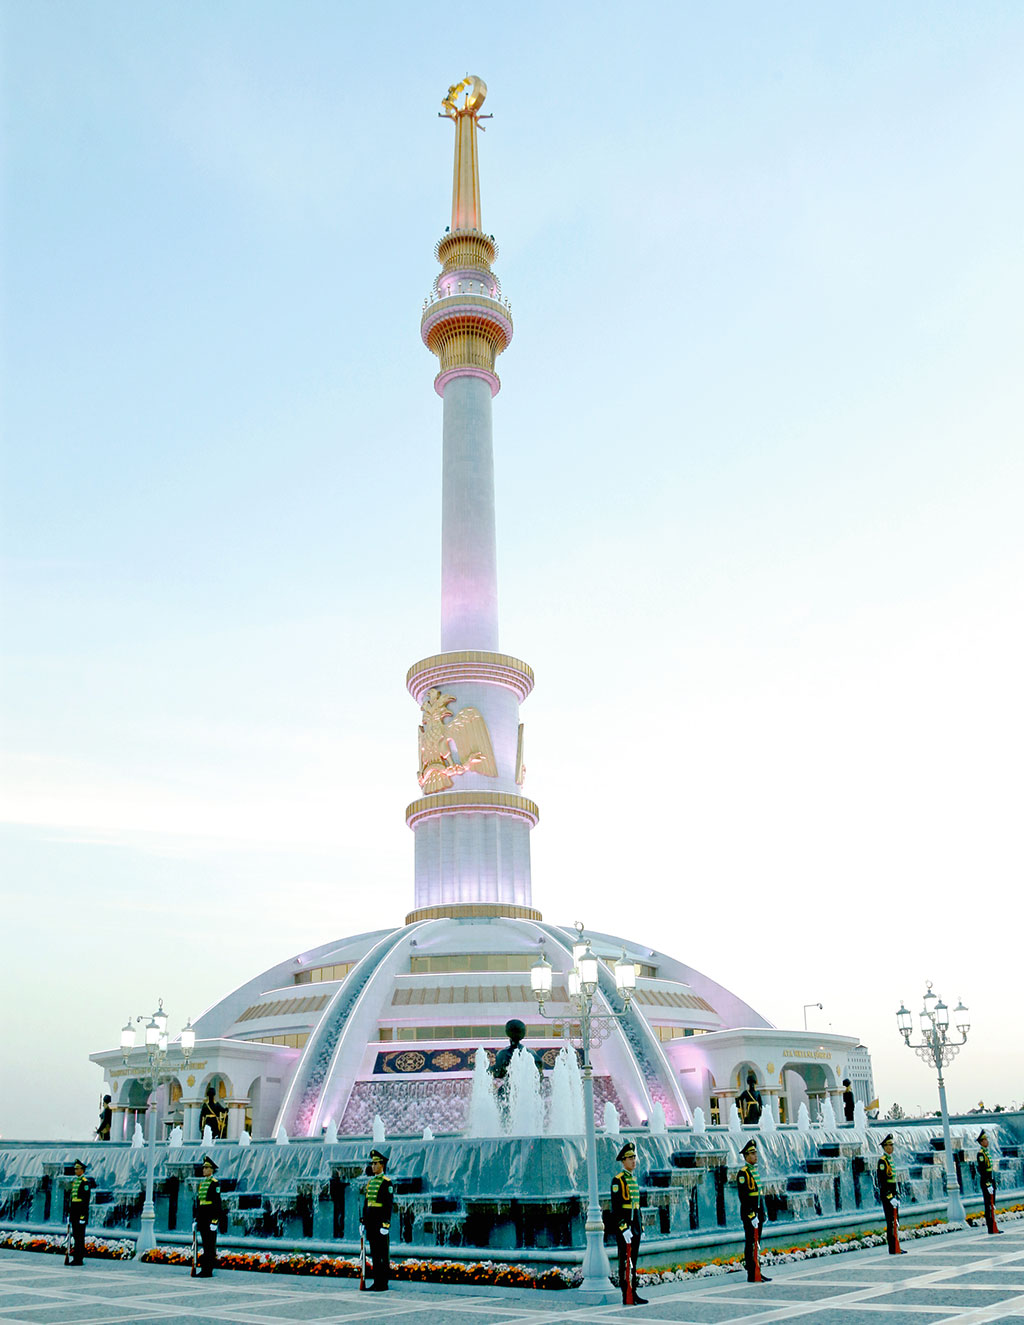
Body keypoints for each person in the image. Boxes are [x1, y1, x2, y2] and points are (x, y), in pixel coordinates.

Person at [610, 1141, 647, 1305]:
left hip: (636, 1225)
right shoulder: (618, 1180)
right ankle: (626, 1293)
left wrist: (641, 1226)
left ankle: (634, 1291)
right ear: (623, 1161)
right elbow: (616, 1208)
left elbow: (637, 1206)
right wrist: (623, 1227)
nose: (634, 1161)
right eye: (630, 1158)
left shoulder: (633, 1179)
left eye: (634, 1157)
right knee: (625, 1260)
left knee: (634, 1260)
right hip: (626, 1226)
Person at [737, 1139, 771, 1282]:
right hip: (750, 1214)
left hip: (758, 1214)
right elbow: (744, 1197)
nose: (755, 1156)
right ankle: (752, 1273)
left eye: (755, 1153)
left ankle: (758, 1271)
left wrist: (761, 1213)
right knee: (751, 1242)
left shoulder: (754, 1172)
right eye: (751, 1154)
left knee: (757, 1243)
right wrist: (751, 1215)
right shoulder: (743, 1173)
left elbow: (758, 1195)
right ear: (745, 1156)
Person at [361, 1148, 393, 1291]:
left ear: (382, 1165)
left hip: (380, 1222)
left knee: (382, 1253)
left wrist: (385, 1224)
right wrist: (363, 1221)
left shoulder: (387, 1183)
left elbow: (388, 1205)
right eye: (372, 1164)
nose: (373, 1166)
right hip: (371, 1222)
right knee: (374, 1252)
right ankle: (376, 1281)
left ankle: (383, 1283)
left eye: (375, 1164)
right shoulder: (371, 1183)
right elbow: (366, 1202)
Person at [194, 1155, 223, 1277]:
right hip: (202, 1217)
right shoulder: (202, 1184)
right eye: (203, 1168)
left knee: (210, 1245)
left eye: (206, 1168)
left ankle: (208, 1269)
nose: (204, 1170)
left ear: (211, 1169)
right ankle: (204, 1268)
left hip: (210, 1217)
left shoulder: (214, 1184)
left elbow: (217, 1203)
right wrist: (196, 1218)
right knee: (205, 1244)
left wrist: (215, 1220)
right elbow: (199, 1202)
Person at [877, 1134, 905, 1254]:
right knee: (891, 1221)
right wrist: (890, 1197)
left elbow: (893, 1180)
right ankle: (892, 1248)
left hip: (893, 1193)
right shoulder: (882, 1161)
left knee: (895, 1221)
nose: (891, 1147)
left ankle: (896, 1245)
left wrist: (896, 1194)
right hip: (888, 1195)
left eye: (892, 1145)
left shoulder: (890, 1160)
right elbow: (883, 1181)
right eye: (889, 1145)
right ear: (884, 1147)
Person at [977, 1130, 1003, 1234]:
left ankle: (994, 1227)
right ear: (981, 1142)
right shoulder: (981, 1154)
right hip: (986, 1182)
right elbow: (982, 1170)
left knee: (992, 1205)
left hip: (990, 1180)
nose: (987, 1141)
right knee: (988, 1205)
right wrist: (987, 1183)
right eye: (985, 1140)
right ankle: (991, 1228)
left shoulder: (986, 1152)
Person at [67, 1159, 91, 1266]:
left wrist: (83, 1215)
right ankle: (75, 1257)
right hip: (74, 1211)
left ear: (82, 1170)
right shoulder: (76, 1181)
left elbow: (85, 1200)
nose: (75, 1170)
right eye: (75, 1169)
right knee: (76, 1235)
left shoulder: (85, 1182)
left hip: (80, 1212)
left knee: (80, 1236)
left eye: (77, 1169)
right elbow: (73, 1199)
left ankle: (79, 1258)